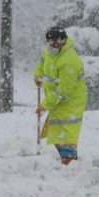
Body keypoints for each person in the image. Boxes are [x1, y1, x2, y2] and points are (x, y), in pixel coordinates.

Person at [33, 26, 87, 165]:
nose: (53, 45)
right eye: (50, 42)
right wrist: (37, 74)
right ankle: (66, 159)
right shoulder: (49, 51)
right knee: (56, 131)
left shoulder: (70, 60)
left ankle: (70, 162)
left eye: (56, 42)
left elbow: (63, 90)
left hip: (71, 102)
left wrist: (44, 105)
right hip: (56, 100)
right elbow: (42, 60)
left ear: (63, 41)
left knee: (66, 133)